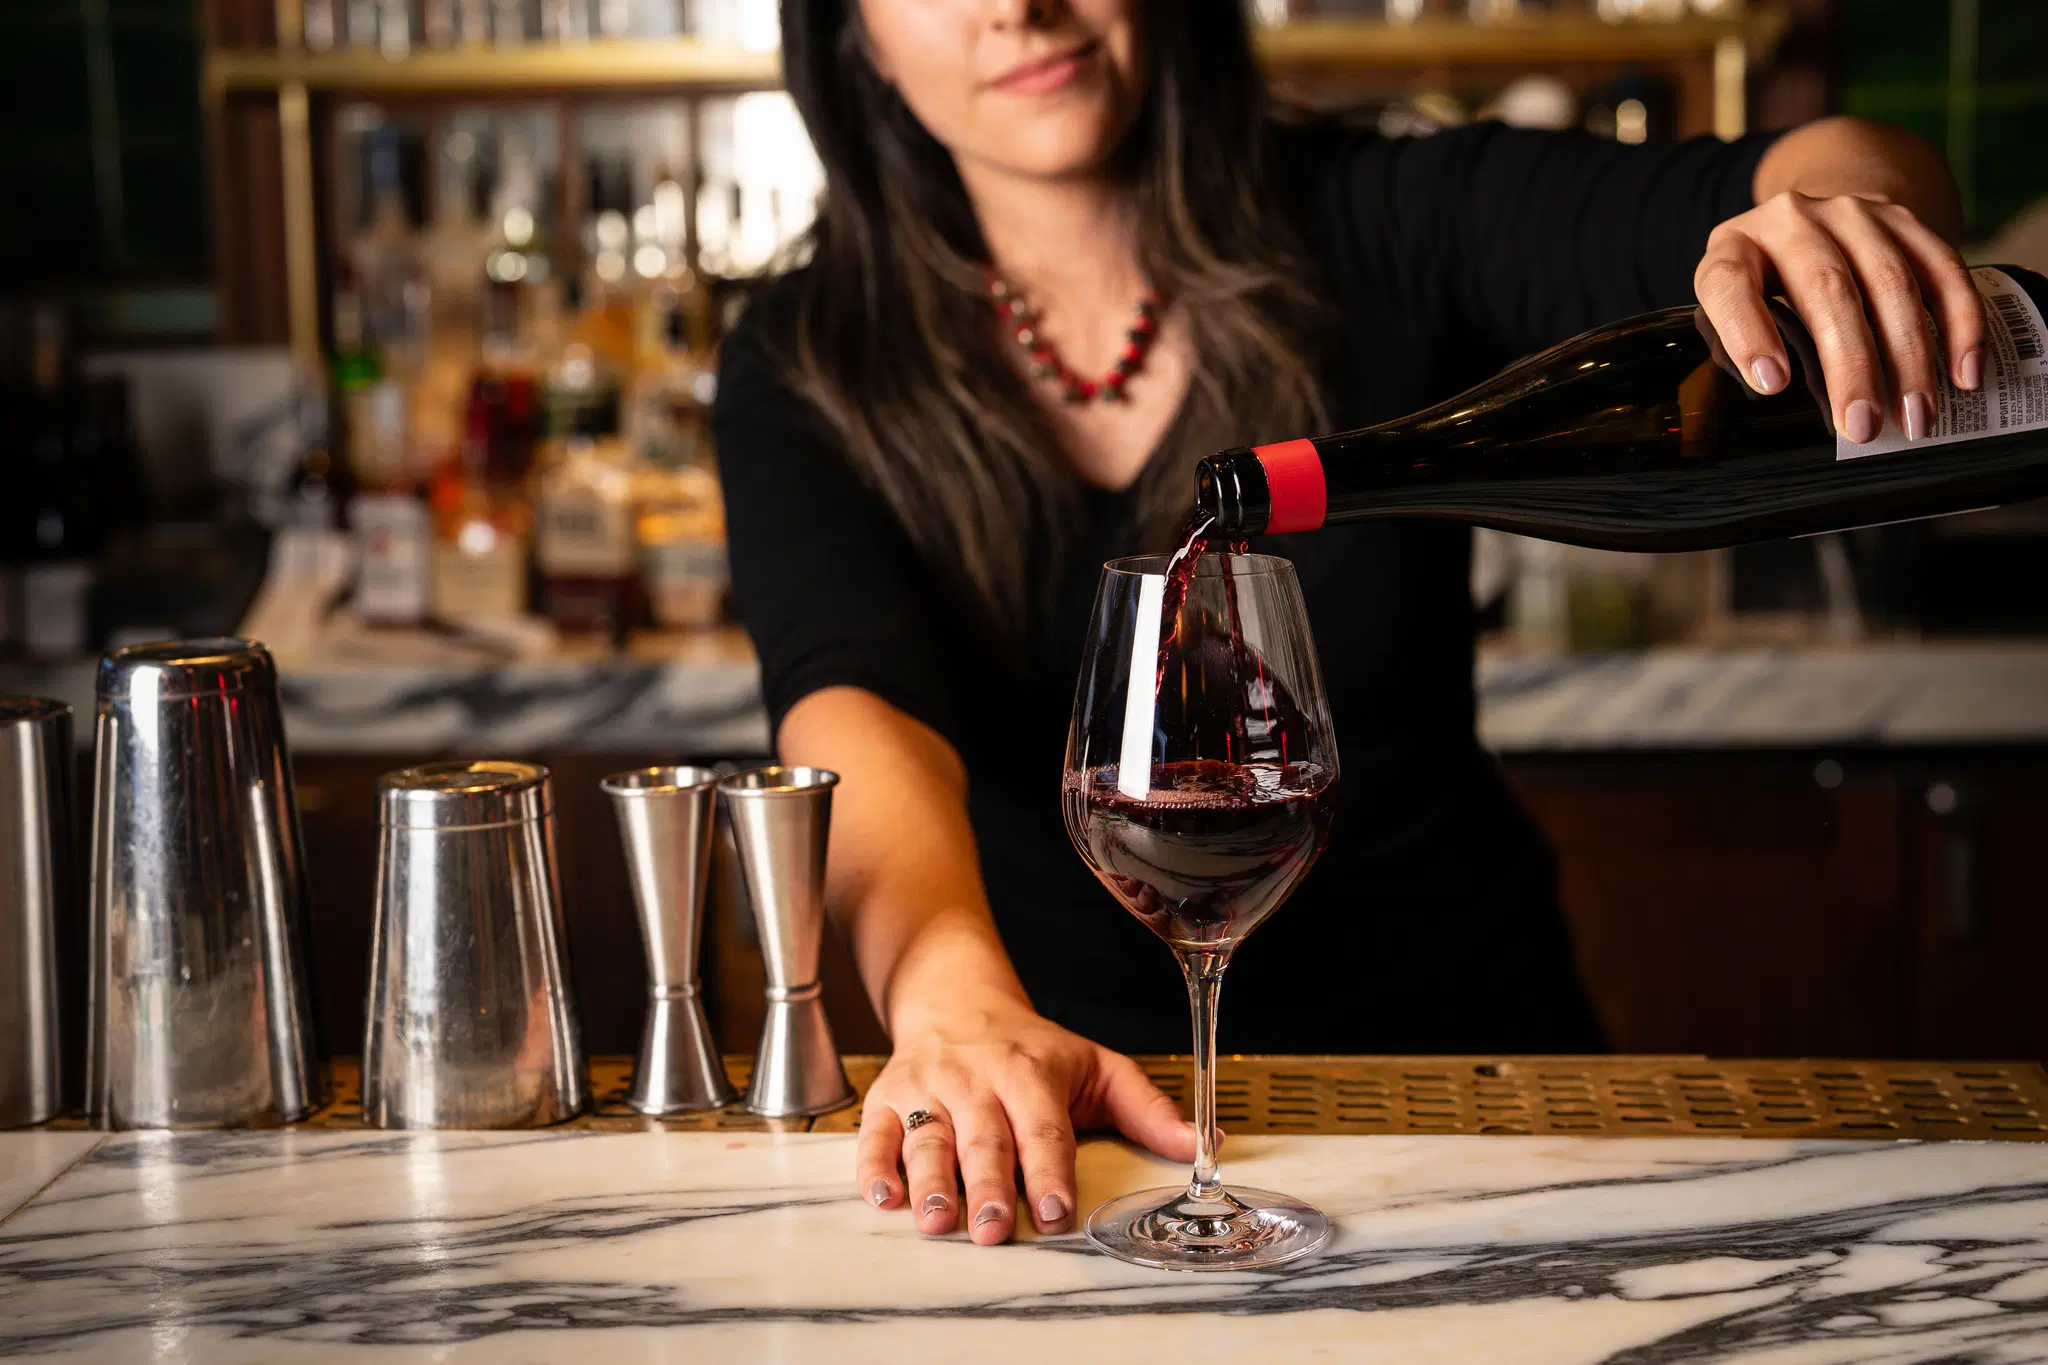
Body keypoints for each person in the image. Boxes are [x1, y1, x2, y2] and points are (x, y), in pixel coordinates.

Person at [711, 0, 1981, 1247]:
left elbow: (1837, 167)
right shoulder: (805, 355)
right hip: (1077, 1124)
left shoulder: (1389, 214)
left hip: (1481, 1102)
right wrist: (948, 998)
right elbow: (856, 701)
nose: (1020, 10)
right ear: (849, 32)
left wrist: (1845, 215)